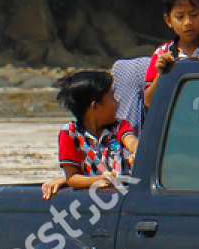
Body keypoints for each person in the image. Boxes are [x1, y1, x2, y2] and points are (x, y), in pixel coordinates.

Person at [40, 71, 137, 199]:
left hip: (121, 198)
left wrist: (136, 152)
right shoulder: (70, 133)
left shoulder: (120, 126)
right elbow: (72, 178)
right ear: (95, 106)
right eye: (112, 98)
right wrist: (99, 180)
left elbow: (131, 141)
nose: (117, 103)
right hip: (92, 201)